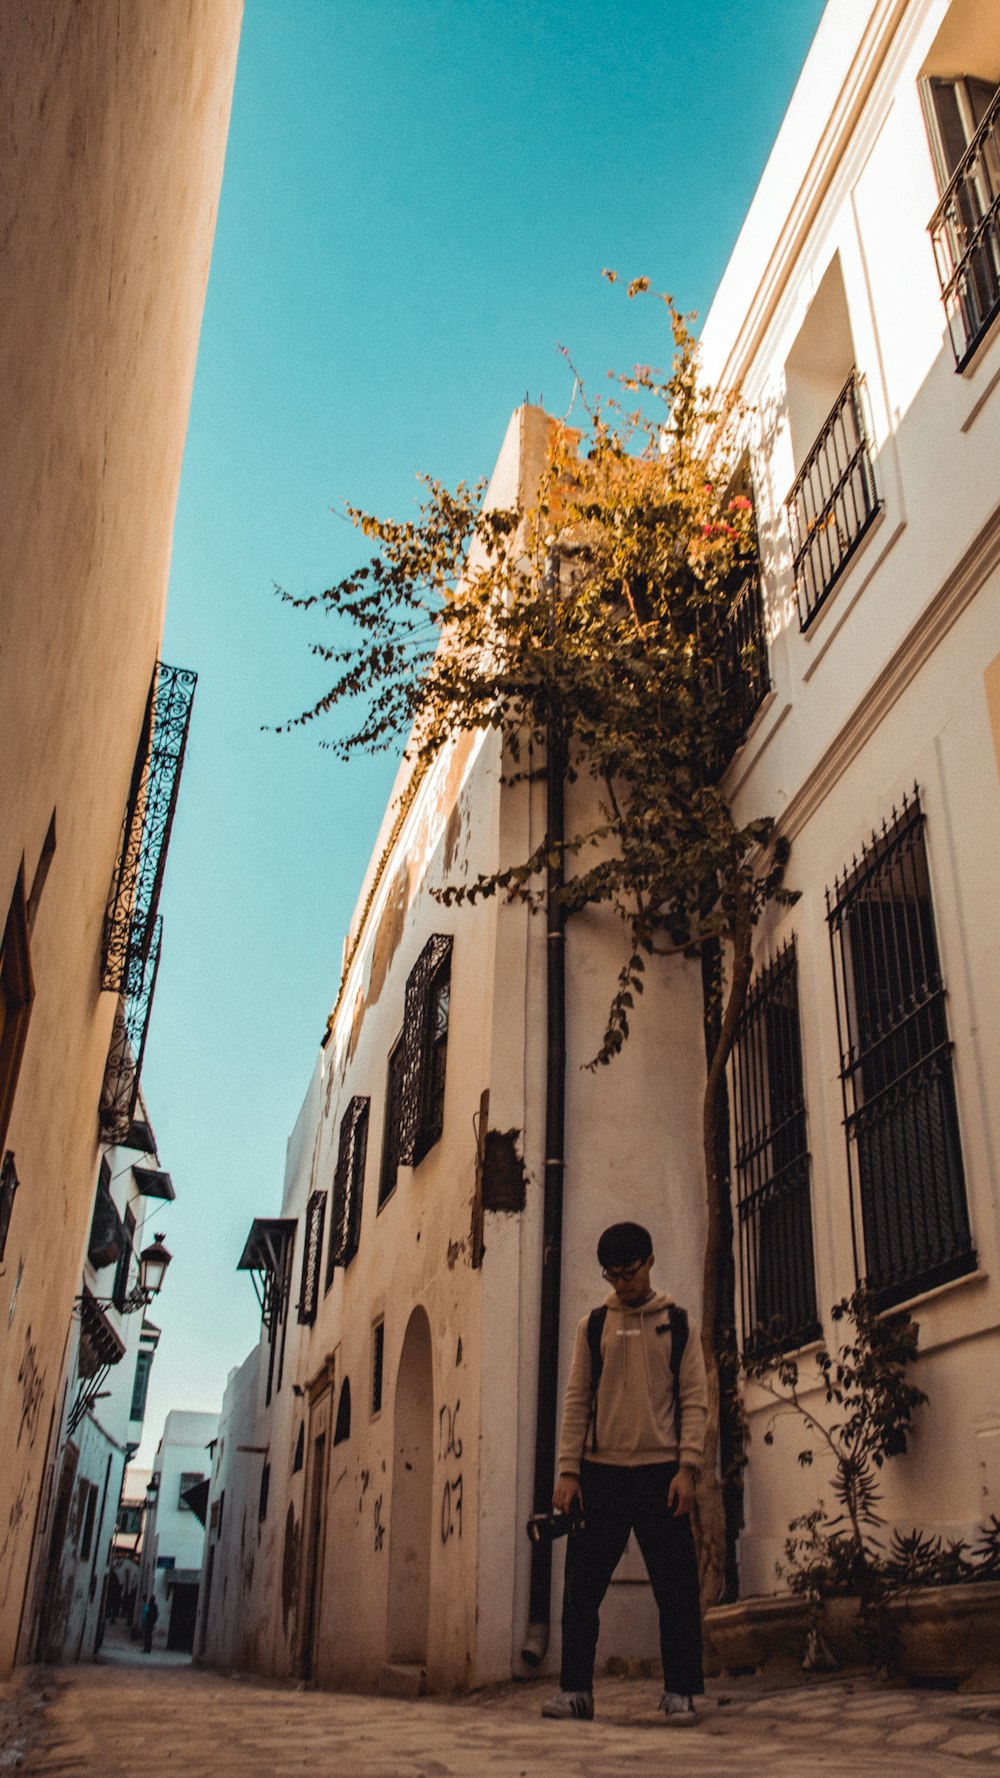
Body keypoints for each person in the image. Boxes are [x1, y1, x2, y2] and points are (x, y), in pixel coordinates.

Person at [541, 1220, 708, 1727]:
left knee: (676, 1588)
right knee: (582, 1590)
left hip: (662, 1475)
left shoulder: (678, 1323)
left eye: (628, 1273)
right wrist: (568, 1472)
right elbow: (576, 1400)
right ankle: (575, 1693)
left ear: (650, 1262)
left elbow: (695, 1400)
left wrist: (689, 1468)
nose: (621, 1283)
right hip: (601, 1476)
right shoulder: (593, 1326)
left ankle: (679, 1692)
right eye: (612, 1276)